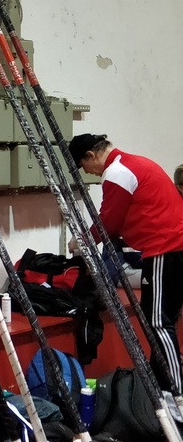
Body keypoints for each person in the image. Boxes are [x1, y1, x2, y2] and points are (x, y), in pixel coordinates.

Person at [67, 133, 183, 393]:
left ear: (91, 156)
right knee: (159, 319)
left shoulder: (117, 173)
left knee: (159, 322)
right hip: (170, 246)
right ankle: (161, 385)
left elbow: (108, 222)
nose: (89, 173)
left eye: (84, 166)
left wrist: (81, 241)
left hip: (166, 248)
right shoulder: (133, 164)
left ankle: (176, 391)